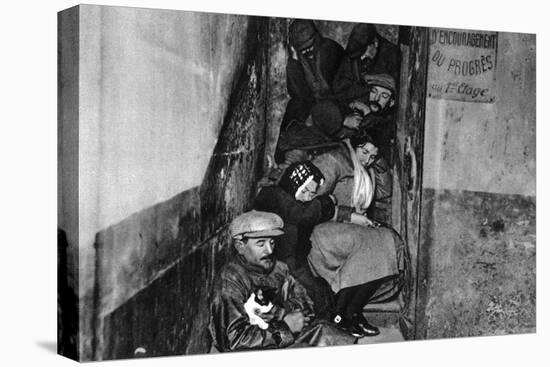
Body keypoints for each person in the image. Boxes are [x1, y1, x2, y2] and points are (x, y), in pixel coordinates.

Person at [255, 162, 391, 337]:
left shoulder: (298, 202)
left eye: (311, 194)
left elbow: (316, 212)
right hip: (275, 264)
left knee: (322, 291)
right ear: (294, 184)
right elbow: (303, 213)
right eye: (304, 191)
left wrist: (349, 216)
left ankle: (339, 322)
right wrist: (328, 201)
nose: (307, 198)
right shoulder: (273, 195)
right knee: (311, 296)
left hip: (294, 259)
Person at [209, 210, 356, 352]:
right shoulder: (230, 281)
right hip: (251, 351)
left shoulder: (279, 268)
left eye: (272, 243)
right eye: (261, 244)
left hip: (275, 337)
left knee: (327, 333)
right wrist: (285, 326)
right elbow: (233, 340)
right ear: (240, 246)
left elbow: (305, 302)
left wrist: (283, 314)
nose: (269, 250)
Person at [274, 19, 345, 165]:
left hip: (333, 105)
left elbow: (342, 89)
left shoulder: (331, 50)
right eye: (302, 49)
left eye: (309, 46)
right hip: (312, 105)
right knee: (294, 111)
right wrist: (294, 60)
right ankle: (284, 161)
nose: (306, 52)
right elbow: (298, 93)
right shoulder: (300, 57)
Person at [333, 23, 401, 103]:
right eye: (359, 55)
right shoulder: (352, 53)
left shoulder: (392, 55)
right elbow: (338, 90)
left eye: (364, 53)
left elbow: (392, 93)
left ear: (374, 43)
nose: (362, 57)